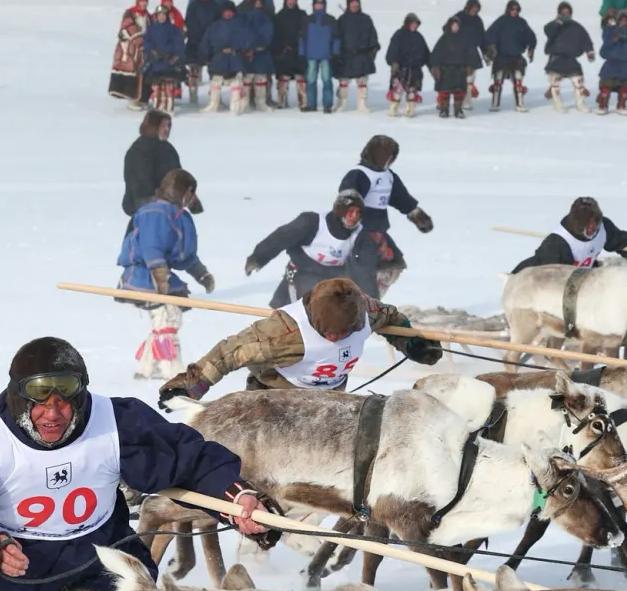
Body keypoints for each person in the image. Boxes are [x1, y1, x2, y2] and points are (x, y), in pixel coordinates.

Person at [0, 337, 274, 591]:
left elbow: (192, 461)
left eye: (65, 398)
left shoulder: (117, 422)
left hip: (101, 571)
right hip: (10, 580)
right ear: (16, 395)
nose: (54, 413)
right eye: (39, 398)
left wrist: (237, 498)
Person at [159, 278, 441, 401]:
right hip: (275, 394)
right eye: (330, 334)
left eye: (343, 334)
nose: (336, 338)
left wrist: (412, 343)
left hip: (329, 399)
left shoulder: (365, 312)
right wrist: (193, 384)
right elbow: (231, 352)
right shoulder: (284, 332)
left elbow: (391, 318)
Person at [118, 170, 215, 379]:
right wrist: (160, 277)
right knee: (169, 319)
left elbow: (185, 256)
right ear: (184, 192)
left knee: (164, 320)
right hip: (144, 274)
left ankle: (146, 368)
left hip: (161, 274)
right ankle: (172, 370)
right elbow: (151, 247)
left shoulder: (178, 216)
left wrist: (201, 274)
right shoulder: (155, 213)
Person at [246, 189, 381, 307]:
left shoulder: (361, 235)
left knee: (339, 311)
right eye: (350, 211)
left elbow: (366, 270)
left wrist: (373, 304)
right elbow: (280, 238)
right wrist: (257, 259)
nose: (354, 216)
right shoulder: (312, 222)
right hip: (304, 271)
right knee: (312, 306)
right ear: (340, 210)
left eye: (358, 213)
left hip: (335, 276)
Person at [339, 135, 432, 293]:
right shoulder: (359, 174)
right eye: (390, 157)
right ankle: (361, 303)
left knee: (393, 265)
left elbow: (401, 198)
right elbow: (347, 197)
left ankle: (370, 300)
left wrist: (417, 216)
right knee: (362, 271)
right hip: (359, 232)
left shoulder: (388, 176)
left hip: (379, 231)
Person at [511, 196, 627, 272]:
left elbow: (622, 241)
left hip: (581, 278)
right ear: (576, 222)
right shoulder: (556, 243)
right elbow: (550, 280)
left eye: (594, 222)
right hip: (533, 280)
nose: (592, 228)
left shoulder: (603, 227)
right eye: (586, 223)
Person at [122, 110, 186, 215]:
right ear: (153, 126)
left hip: (168, 201)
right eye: (163, 126)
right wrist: (160, 198)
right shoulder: (140, 150)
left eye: (168, 126)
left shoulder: (168, 149)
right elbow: (140, 183)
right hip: (144, 201)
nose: (167, 129)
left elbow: (178, 175)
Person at [483, 0, 538, 112]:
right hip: (502, 56)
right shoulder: (501, 21)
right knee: (498, 81)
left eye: (516, 9)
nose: (514, 11)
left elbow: (530, 36)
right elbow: (489, 34)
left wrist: (531, 47)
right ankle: (495, 104)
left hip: (516, 55)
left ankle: (520, 104)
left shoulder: (521, 22)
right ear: (508, 9)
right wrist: (491, 48)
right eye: (512, 9)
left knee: (518, 80)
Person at [228, 0, 277, 113]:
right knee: (247, 78)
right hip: (246, 51)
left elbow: (267, 33)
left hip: (261, 51)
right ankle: (245, 102)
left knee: (261, 77)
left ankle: (261, 101)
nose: (258, 3)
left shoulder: (266, 17)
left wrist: (257, 46)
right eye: (256, 1)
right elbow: (241, 32)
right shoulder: (242, 14)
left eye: (260, 1)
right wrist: (246, 47)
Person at [542, 1, 595, 113]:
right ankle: (558, 104)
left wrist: (589, 51)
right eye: (563, 12)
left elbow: (585, 39)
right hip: (556, 59)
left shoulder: (577, 27)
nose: (566, 14)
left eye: (568, 12)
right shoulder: (553, 25)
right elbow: (547, 30)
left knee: (578, 81)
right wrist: (557, 24)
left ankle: (580, 104)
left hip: (571, 59)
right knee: (555, 83)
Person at [333, 0, 381, 113]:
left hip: (362, 55)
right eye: (352, 3)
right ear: (348, 4)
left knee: (362, 81)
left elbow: (373, 37)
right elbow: (336, 38)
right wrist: (336, 54)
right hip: (346, 55)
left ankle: (362, 104)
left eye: (356, 3)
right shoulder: (342, 20)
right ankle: (341, 104)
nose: (355, 5)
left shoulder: (366, 19)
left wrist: (372, 52)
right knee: (343, 82)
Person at [142, 0, 188, 113]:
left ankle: (169, 108)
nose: (162, 17)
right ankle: (157, 108)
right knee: (157, 87)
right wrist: (152, 52)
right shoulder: (151, 29)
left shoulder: (174, 29)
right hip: (156, 62)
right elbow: (147, 43)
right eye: (159, 15)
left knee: (169, 86)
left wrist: (176, 56)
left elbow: (179, 44)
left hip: (169, 63)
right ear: (156, 16)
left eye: (164, 15)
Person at [428, 17, 479, 119]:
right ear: (449, 26)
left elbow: (471, 53)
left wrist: (470, 66)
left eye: (457, 26)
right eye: (453, 25)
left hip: (460, 69)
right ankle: (444, 109)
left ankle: (458, 110)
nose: (455, 28)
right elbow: (436, 54)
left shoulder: (465, 39)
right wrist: (436, 67)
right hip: (445, 70)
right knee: (444, 91)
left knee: (459, 92)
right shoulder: (444, 39)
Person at [184, 0, 225, 107]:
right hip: (195, 42)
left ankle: (215, 97)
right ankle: (193, 97)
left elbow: (219, 23)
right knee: (194, 71)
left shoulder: (215, 6)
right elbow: (189, 22)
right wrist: (196, 34)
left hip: (211, 43)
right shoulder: (193, 6)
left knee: (215, 72)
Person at [202, 0, 246, 114]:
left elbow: (246, 41)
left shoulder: (240, 25)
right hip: (219, 58)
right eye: (225, 12)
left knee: (236, 82)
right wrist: (205, 55)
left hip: (235, 58)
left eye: (230, 12)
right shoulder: (214, 26)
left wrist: (237, 48)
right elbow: (207, 42)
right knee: (216, 81)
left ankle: (235, 106)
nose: (228, 14)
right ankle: (213, 104)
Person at [299, 0, 339, 113]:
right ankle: (311, 104)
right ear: (313, 5)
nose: (319, 6)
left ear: (324, 5)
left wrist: (335, 52)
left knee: (326, 80)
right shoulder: (307, 20)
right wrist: (301, 53)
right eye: (317, 4)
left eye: (321, 4)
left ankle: (327, 105)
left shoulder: (330, 20)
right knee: (311, 81)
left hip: (326, 55)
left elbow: (336, 38)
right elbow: (301, 38)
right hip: (311, 55)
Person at [109, 0, 151, 106]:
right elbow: (128, 28)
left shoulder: (148, 16)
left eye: (145, 2)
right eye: (142, 2)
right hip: (129, 49)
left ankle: (141, 98)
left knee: (141, 73)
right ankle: (131, 99)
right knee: (130, 73)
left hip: (142, 49)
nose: (144, 4)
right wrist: (139, 41)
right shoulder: (130, 14)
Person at [384, 13, 429, 118]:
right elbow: (392, 50)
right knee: (397, 91)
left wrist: (432, 65)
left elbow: (426, 53)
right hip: (400, 68)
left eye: (416, 24)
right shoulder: (399, 35)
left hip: (415, 69)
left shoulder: (419, 37)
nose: (414, 26)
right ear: (407, 23)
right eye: (412, 23)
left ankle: (410, 110)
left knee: (412, 91)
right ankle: (393, 109)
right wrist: (393, 62)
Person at [597, 11, 627, 115]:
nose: (624, 22)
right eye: (622, 20)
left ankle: (622, 104)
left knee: (624, 86)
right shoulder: (611, 30)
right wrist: (615, 36)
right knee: (607, 84)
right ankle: (603, 104)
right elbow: (605, 44)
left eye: (626, 20)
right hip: (612, 62)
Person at [271, 0, 309, 110]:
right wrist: (278, 50)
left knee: (301, 77)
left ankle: (302, 101)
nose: (291, 2)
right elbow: (276, 35)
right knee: (283, 77)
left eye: (293, 0)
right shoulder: (279, 16)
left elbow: (306, 33)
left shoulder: (302, 15)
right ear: (285, 0)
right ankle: (282, 101)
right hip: (284, 50)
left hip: (299, 50)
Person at [453, 0, 487, 100]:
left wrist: (486, 52)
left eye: (477, 8)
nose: (475, 10)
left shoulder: (478, 20)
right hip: (458, 51)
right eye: (473, 8)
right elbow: (447, 31)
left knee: (470, 77)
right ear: (468, 7)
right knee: (455, 78)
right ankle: (445, 101)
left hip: (472, 51)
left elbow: (482, 37)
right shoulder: (459, 17)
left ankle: (467, 100)